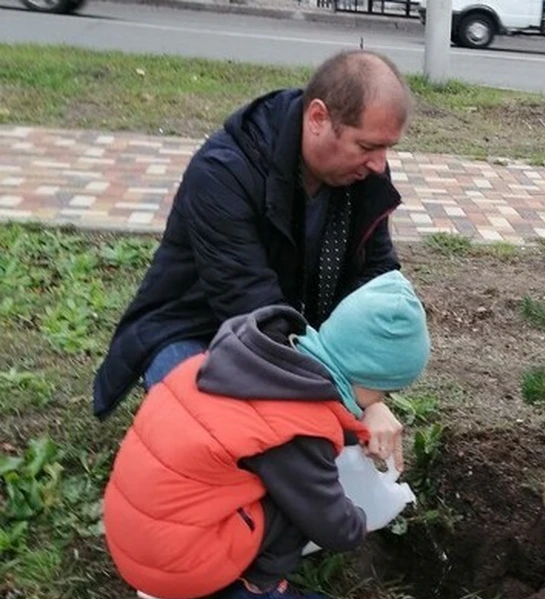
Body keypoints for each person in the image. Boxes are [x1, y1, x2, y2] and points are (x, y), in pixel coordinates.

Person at [93, 50, 411, 466]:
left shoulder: (360, 173)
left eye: (387, 148)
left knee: (321, 440)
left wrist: (372, 395)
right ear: (317, 119)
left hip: (291, 333)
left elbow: (376, 285)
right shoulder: (224, 172)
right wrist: (346, 397)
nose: (378, 165)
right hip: (196, 331)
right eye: (368, 146)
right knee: (236, 442)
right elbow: (249, 308)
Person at [102, 271, 431, 599]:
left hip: (139, 537)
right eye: (386, 392)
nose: (383, 401)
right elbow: (331, 525)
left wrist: (355, 428)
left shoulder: (250, 361)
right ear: (371, 378)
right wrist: (359, 519)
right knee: (297, 501)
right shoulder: (299, 426)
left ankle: (176, 579)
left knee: (274, 480)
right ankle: (256, 596)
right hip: (173, 559)